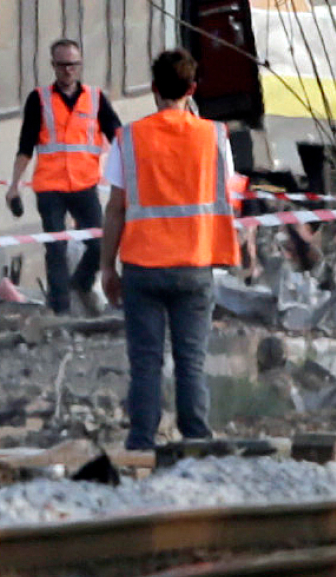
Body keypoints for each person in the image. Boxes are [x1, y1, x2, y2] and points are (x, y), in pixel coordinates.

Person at [99, 48, 238, 451]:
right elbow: (225, 190)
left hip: (143, 267)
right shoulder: (214, 137)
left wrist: (107, 268)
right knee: (190, 362)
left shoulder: (130, 138)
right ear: (192, 89)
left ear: (154, 88)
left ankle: (141, 443)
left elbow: (114, 209)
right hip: (195, 265)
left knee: (146, 362)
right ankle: (195, 440)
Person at [5, 39, 122, 315]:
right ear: (53, 66)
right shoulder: (40, 99)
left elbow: (118, 136)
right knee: (56, 249)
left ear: (80, 65)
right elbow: (25, 146)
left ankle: (80, 283)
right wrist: (14, 186)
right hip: (50, 187)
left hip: (84, 184)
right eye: (62, 65)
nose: (68, 70)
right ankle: (61, 311)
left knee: (99, 244)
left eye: (73, 64)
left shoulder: (94, 98)